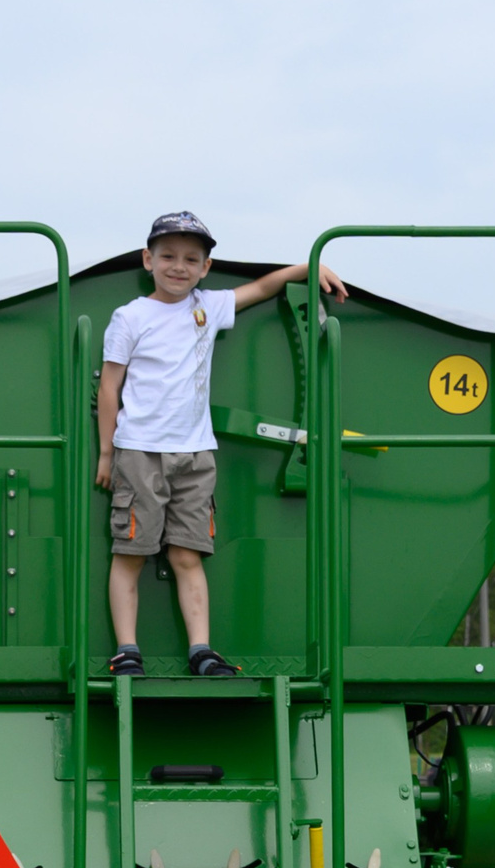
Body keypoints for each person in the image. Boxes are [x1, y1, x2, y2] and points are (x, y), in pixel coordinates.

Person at [95, 211, 344, 677]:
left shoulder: (206, 308)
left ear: (206, 267)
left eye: (192, 258)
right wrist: (107, 452)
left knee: (188, 555)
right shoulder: (130, 316)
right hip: (140, 451)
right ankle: (127, 649)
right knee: (130, 553)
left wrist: (309, 269)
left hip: (195, 453)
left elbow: (262, 289)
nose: (178, 266)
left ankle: (201, 651)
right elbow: (110, 386)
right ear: (148, 259)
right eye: (167, 255)